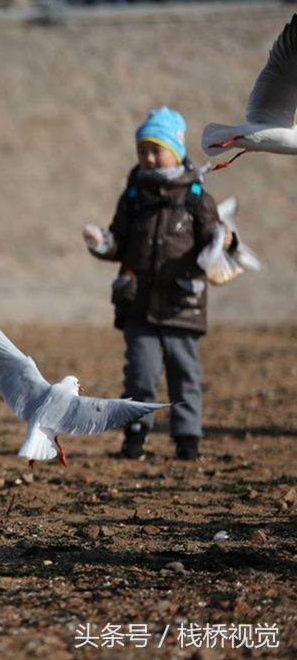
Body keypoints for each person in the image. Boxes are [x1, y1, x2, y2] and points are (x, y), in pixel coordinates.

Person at [82, 107, 236, 461]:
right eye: (142, 150)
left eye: (156, 149)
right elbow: (120, 241)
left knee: (185, 374)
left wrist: (227, 242)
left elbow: (215, 237)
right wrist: (102, 242)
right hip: (138, 304)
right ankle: (135, 437)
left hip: (184, 305)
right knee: (140, 373)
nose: (149, 158)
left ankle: (187, 440)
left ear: (177, 150)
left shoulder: (197, 196)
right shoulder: (134, 194)